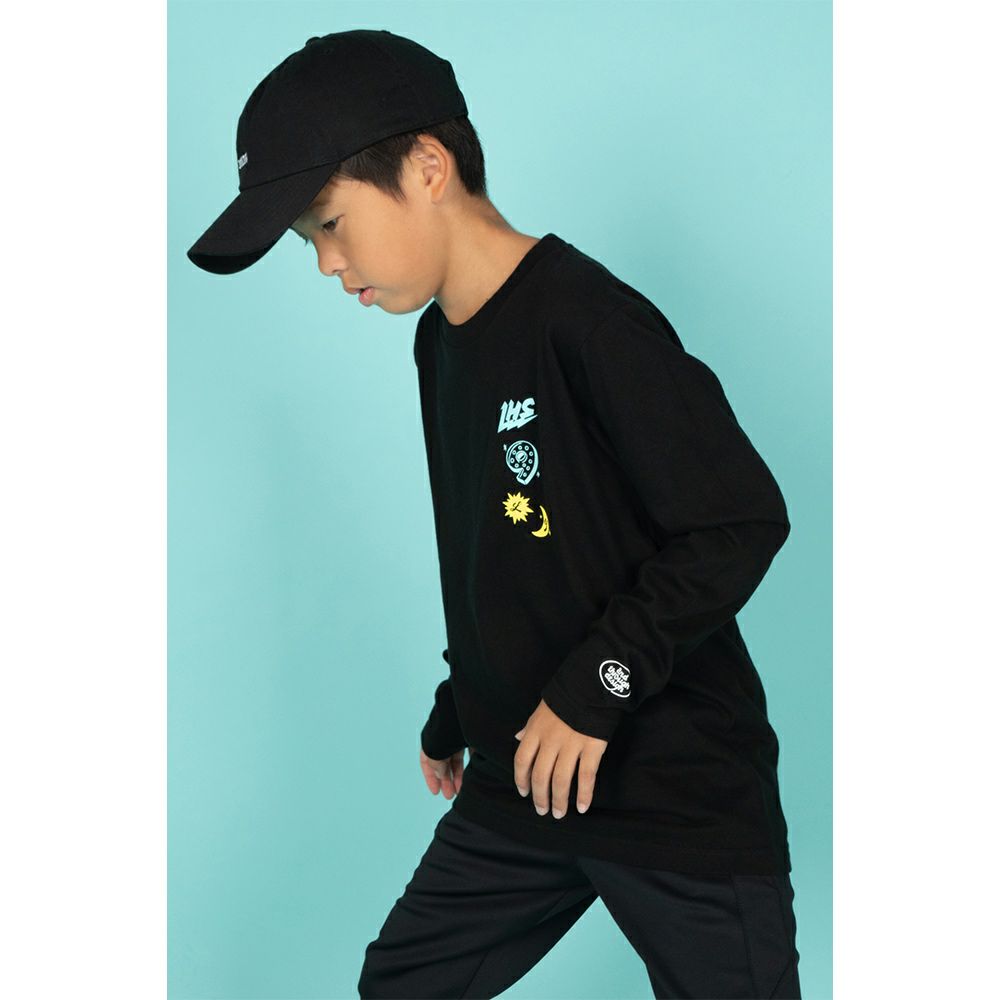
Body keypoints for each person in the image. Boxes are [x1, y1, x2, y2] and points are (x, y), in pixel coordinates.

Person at [188, 29, 803, 999]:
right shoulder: (440, 343)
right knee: (401, 986)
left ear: (427, 168)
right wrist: (458, 708)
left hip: (675, 790)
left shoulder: (589, 323)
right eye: (310, 241)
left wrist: (596, 686)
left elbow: (737, 520)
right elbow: (501, 551)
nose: (326, 264)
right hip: (523, 780)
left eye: (331, 223)